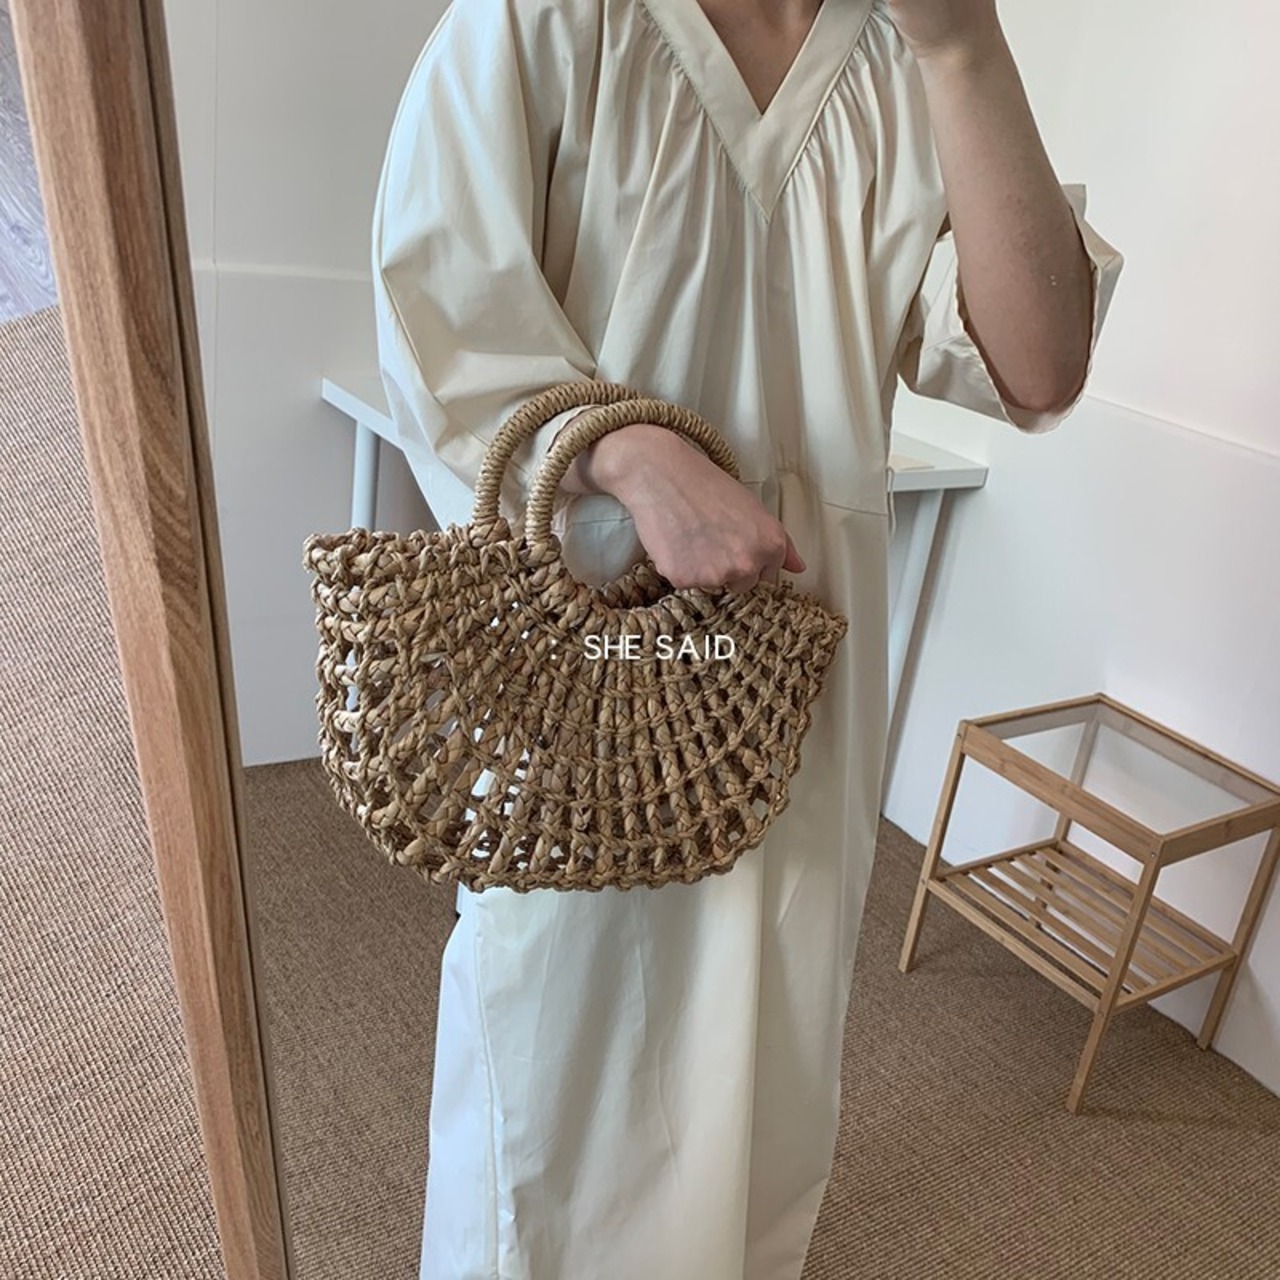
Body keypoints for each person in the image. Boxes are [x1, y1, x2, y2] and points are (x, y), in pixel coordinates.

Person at [371, 1, 1124, 1276]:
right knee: (559, 1038)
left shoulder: (903, 57)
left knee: (769, 1049)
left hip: (800, 669)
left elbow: (1037, 365)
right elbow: (438, 308)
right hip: (593, 650)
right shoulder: (555, 20)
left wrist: (961, 45)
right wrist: (624, 449)